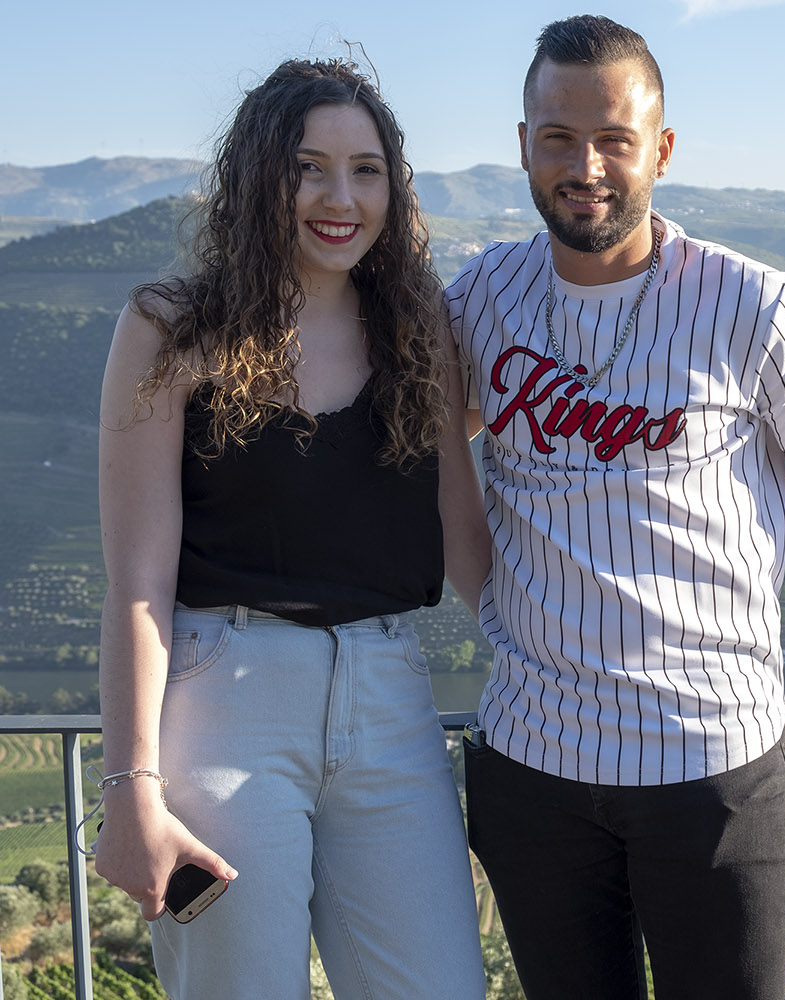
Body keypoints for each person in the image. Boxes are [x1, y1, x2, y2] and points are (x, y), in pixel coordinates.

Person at [447, 14, 785, 1000]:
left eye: (613, 137)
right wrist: (491, 607)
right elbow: (430, 451)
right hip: (533, 770)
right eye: (558, 138)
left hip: (714, 773)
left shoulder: (757, 307)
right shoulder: (481, 299)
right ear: (523, 146)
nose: (586, 164)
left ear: (662, 149)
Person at [93, 58, 489, 998]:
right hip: (220, 710)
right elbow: (139, 583)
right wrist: (130, 790)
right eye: (307, 167)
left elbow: (462, 527)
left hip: (391, 703)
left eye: (366, 170)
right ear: (260, 177)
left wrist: (567, 669)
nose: (339, 197)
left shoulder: (418, 323)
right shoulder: (171, 327)